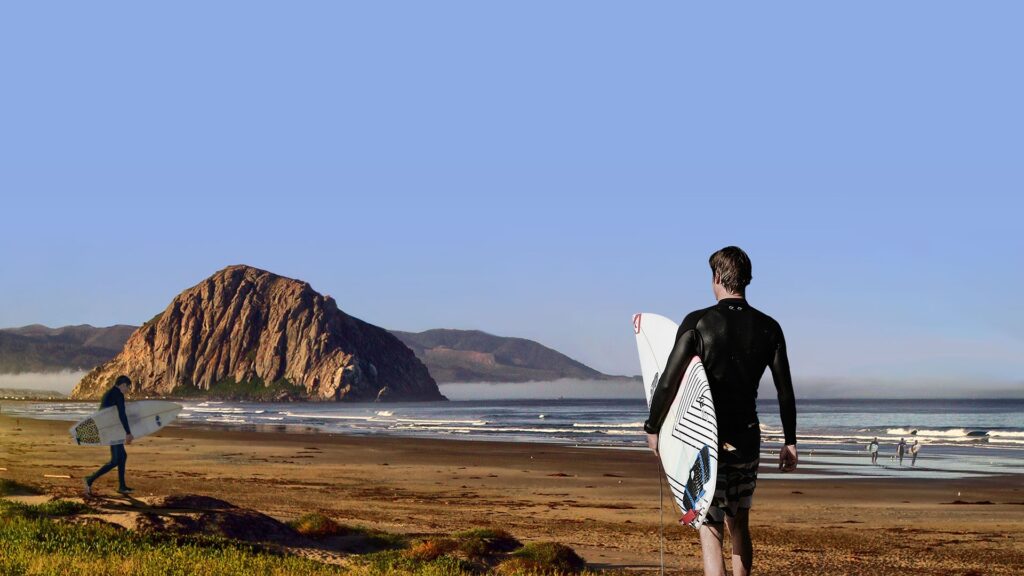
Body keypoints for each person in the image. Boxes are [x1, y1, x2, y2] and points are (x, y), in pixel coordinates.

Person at [644, 246, 797, 576]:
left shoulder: (698, 322)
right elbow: (785, 389)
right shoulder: (770, 327)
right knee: (739, 523)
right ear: (746, 280)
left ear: (717, 277)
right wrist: (790, 440)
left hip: (707, 443)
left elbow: (668, 382)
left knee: (709, 529)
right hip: (747, 440)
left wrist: (653, 427)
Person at [83, 375, 135, 496]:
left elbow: (103, 413)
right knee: (115, 460)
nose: (128, 390)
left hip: (108, 428)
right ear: (122, 385)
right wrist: (128, 432)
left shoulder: (110, 393)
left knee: (123, 456)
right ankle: (89, 479)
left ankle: (122, 486)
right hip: (111, 430)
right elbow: (122, 414)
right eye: (128, 387)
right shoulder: (118, 395)